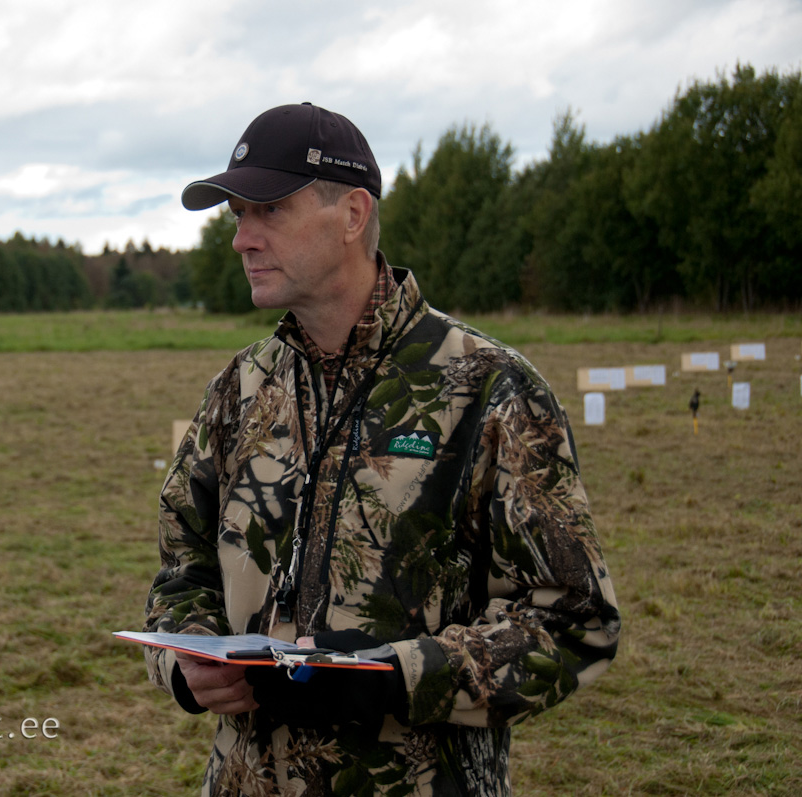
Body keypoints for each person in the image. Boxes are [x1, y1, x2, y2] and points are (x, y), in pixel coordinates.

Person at [142, 102, 621, 797]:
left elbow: (576, 622)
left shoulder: (487, 389)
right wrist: (185, 663)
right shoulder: (240, 391)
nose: (242, 238)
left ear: (353, 214)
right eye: (236, 215)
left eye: (267, 210)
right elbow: (179, 571)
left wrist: (388, 677)